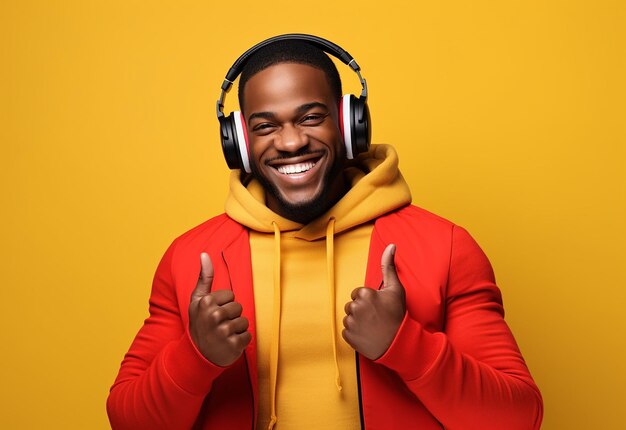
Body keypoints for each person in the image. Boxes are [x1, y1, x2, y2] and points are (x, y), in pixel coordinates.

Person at [107, 34, 543, 430]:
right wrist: (195, 357)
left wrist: (405, 345)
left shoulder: (444, 246)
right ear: (238, 143)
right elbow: (128, 420)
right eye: (265, 126)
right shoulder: (190, 258)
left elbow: (517, 418)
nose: (291, 142)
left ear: (349, 124)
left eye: (310, 117)